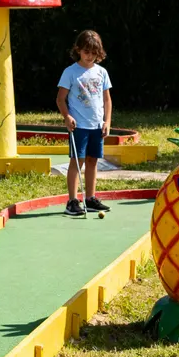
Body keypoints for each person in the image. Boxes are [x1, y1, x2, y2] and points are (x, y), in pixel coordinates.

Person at [57, 30, 113, 217]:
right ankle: (72, 201)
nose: (90, 56)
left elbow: (107, 100)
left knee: (92, 160)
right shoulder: (70, 72)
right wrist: (67, 116)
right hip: (79, 126)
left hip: (96, 125)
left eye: (94, 53)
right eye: (86, 52)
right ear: (78, 50)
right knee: (77, 161)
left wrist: (107, 121)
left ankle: (90, 198)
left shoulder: (101, 72)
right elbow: (60, 99)